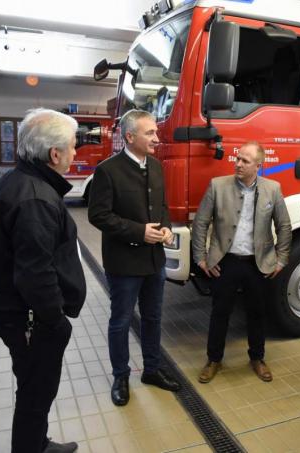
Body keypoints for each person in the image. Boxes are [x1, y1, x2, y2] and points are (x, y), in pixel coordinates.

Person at [0, 108, 85, 453]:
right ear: (55, 154)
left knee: (33, 386)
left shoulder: (19, 181)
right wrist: (55, 321)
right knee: (35, 393)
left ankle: (37, 444)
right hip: (29, 316)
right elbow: (34, 272)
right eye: (72, 146)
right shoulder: (36, 198)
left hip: (16, 311)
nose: (75, 153)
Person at [87, 109, 181, 407]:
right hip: (124, 262)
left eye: (155, 132)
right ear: (130, 137)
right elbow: (98, 215)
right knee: (121, 321)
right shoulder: (108, 170)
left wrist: (165, 228)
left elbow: (162, 205)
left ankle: (151, 370)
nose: (157, 137)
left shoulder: (155, 166)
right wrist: (139, 232)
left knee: (154, 318)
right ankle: (121, 376)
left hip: (154, 261)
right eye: (150, 133)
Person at [191, 141, 292, 383]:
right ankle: (213, 359)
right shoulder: (218, 186)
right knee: (220, 312)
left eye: (245, 161)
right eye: (237, 159)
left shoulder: (273, 189)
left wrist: (281, 259)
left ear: (259, 165)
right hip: (225, 261)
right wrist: (201, 258)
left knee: (257, 312)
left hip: (258, 263)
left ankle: (257, 358)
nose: (238, 163)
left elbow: (284, 225)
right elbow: (201, 223)